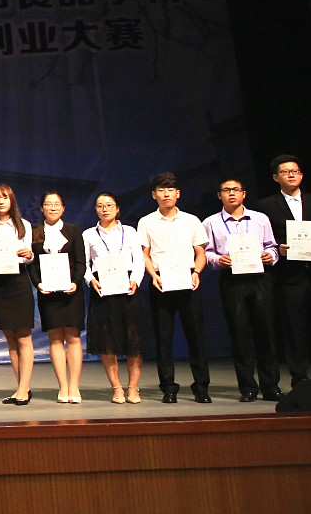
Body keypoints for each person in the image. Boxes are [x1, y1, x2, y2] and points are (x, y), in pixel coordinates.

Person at [254, 155, 311, 388]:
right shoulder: (266, 205)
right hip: (289, 277)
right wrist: (278, 248)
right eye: (285, 172)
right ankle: (299, 377)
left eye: (295, 171)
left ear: (301, 175)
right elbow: (265, 239)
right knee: (294, 329)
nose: (291, 175)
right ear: (276, 177)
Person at [204, 178, 282, 401]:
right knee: (240, 334)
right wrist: (218, 260)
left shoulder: (260, 218)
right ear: (219, 195)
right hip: (232, 279)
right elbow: (206, 252)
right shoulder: (210, 222)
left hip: (260, 277)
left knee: (266, 332)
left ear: (244, 194)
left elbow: (272, 246)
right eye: (226, 190)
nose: (232, 194)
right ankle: (248, 387)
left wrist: (270, 256)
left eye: (236, 190)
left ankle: (271, 386)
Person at [137, 172, 209, 404]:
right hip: (161, 283)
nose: (166, 194)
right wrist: (153, 276)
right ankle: (168, 387)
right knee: (163, 339)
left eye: (170, 190)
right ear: (154, 195)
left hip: (189, 281)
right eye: (161, 190)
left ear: (178, 193)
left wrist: (197, 272)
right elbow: (144, 254)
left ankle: (201, 387)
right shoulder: (146, 222)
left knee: (196, 337)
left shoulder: (192, 220)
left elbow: (201, 253)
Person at [82, 193, 149, 404]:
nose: (105, 209)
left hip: (127, 288)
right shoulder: (88, 234)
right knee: (106, 341)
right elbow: (84, 264)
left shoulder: (130, 231)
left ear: (117, 208)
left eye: (109, 205)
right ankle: (117, 388)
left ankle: (133, 388)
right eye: (100, 206)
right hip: (102, 290)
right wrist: (91, 280)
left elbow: (139, 260)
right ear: (95, 209)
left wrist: (135, 280)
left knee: (133, 340)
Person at [0, 184, 36, 405]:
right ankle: (21, 387)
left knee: (23, 336)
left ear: (12, 199)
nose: (1, 201)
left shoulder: (23, 225)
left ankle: (24, 389)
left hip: (18, 281)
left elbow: (29, 256)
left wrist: (28, 254)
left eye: (4, 197)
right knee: (10, 338)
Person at [32, 191, 86, 403]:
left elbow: (81, 262)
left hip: (71, 292)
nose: (52, 207)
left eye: (57, 204)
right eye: (48, 204)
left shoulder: (73, 231)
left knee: (73, 337)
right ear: (42, 208)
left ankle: (74, 386)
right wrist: (38, 283)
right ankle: (63, 386)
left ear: (63, 208)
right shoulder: (35, 233)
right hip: (48, 294)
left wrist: (76, 282)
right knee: (55, 338)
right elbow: (32, 265)